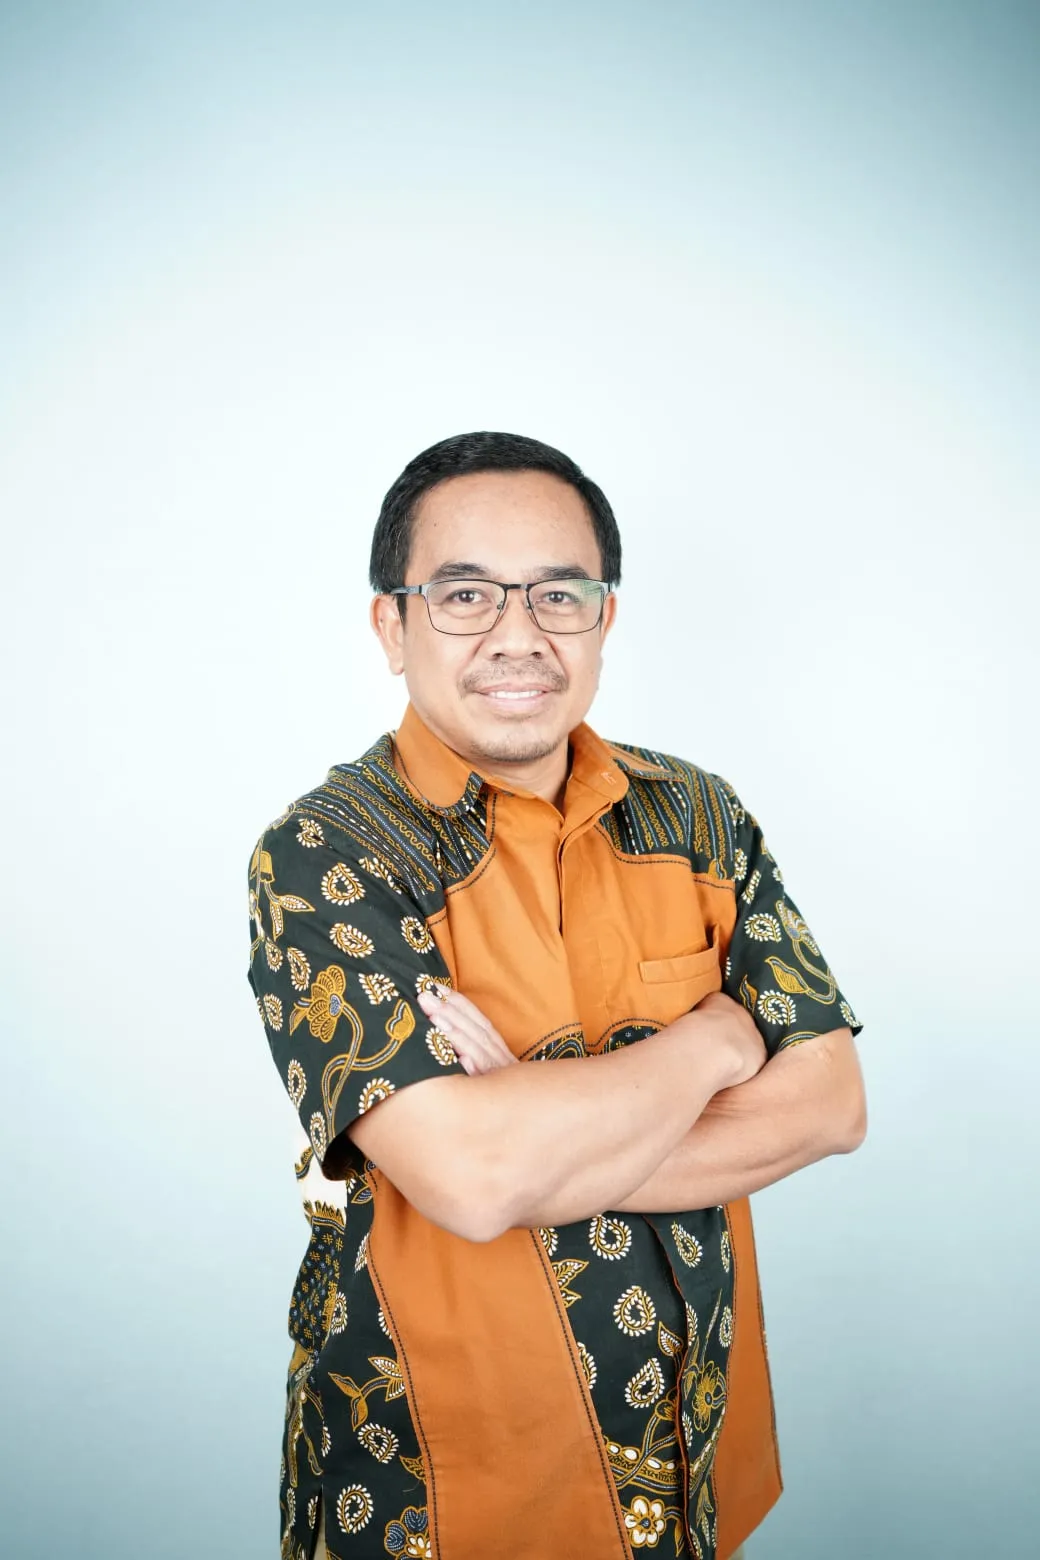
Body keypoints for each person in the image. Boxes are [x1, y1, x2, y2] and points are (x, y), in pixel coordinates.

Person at [247, 431, 866, 1560]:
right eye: (465, 595)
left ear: (603, 617)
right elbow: (477, 1180)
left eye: (558, 594)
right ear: (391, 625)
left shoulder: (698, 819)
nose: (518, 634)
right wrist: (713, 1044)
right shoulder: (330, 855)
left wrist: (537, 1127)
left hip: (689, 1458)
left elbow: (830, 1106)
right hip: (433, 1485)